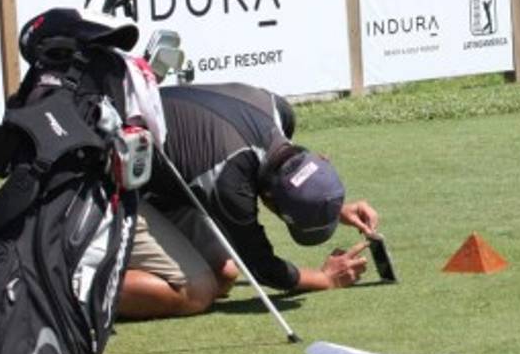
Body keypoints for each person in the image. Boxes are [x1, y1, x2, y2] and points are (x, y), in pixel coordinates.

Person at [118, 82, 380, 319]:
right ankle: (80, 290)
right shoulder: (228, 182)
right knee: (197, 291)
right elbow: (260, 266)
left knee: (224, 274)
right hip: (108, 183)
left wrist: (328, 203)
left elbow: (290, 173)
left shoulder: (279, 111)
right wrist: (324, 279)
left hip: (154, 177)